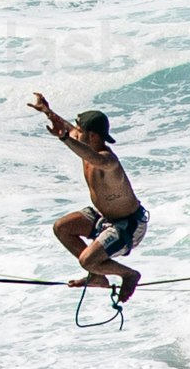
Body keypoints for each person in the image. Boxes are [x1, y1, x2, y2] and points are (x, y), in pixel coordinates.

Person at [31, 91, 146, 303]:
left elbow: (92, 157)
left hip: (127, 225)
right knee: (62, 227)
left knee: (87, 260)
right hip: (104, 217)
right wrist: (47, 112)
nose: (76, 132)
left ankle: (129, 274)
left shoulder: (107, 161)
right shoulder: (86, 143)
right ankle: (98, 276)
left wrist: (64, 139)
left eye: (80, 131)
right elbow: (69, 129)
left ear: (92, 136)